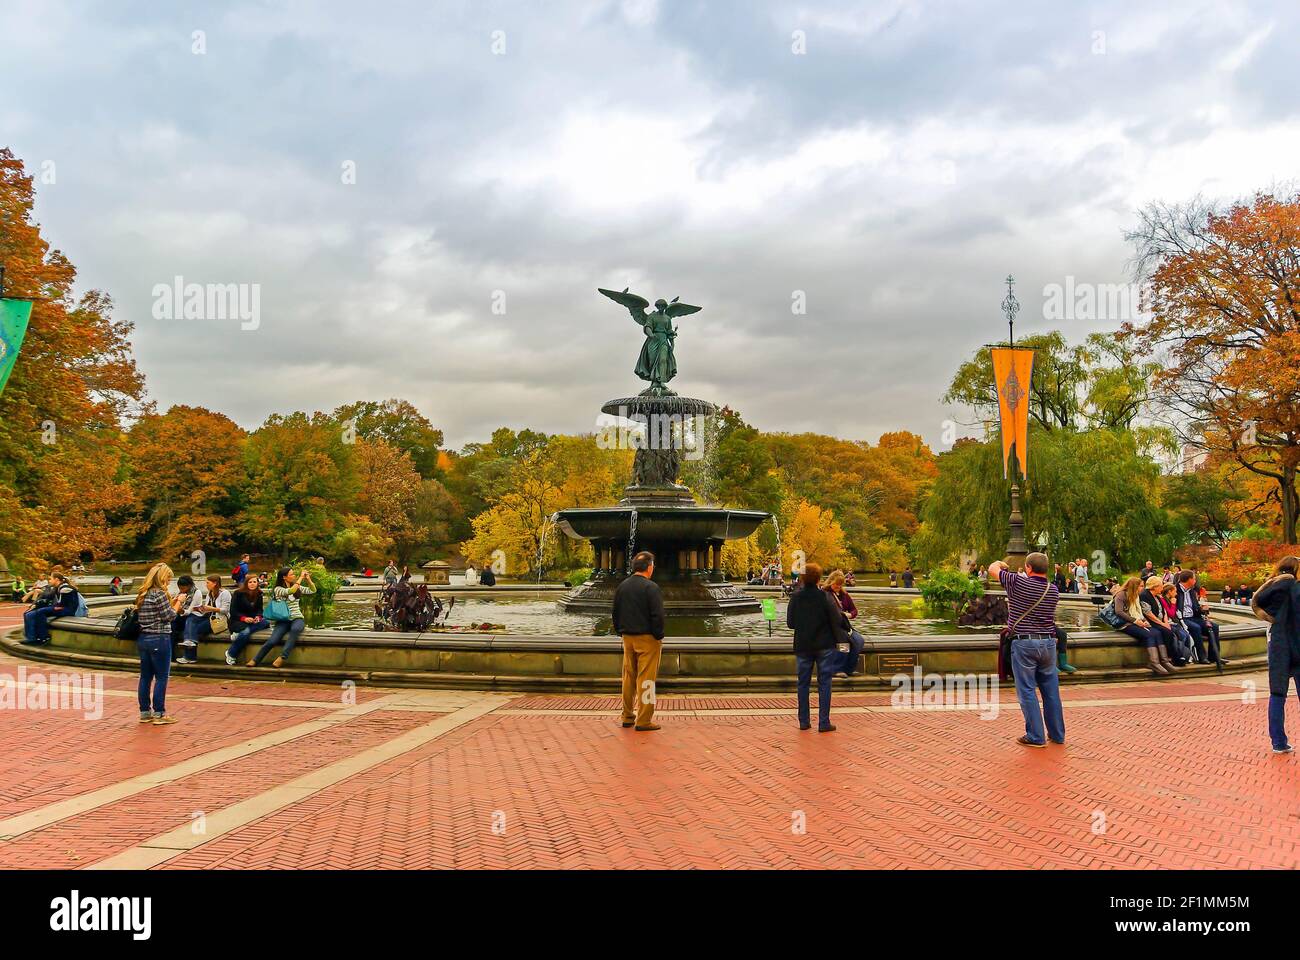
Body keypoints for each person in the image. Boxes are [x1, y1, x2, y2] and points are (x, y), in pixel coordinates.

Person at [989, 554, 1064, 748]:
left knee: (1027, 690)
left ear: (1028, 568)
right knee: (1051, 691)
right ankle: (1057, 735)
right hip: (1048, 644)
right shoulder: (1053, 590)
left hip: (1024, 644)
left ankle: (1036, 736)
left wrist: (1002, 564)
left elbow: (992, 569)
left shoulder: (1017, 583)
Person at [786, 562, 848, 732]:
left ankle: (804, 721)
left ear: (803, 578)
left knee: (803, 683)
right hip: (824, 645)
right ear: (819, 578)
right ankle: (824, 722)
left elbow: (790, 623)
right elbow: (836, 620)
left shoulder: (796, 597)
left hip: (803, 645)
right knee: (825, 683)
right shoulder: (825, 597)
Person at [612, 551, 666, 732]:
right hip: (648, 638)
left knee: (628, 677)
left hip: (628, 638)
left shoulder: (623, 586)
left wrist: (620, 631)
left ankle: (627, 716)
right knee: (647, 680)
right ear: (649, 567)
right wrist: (658, 636)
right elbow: (657, 615)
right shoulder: (651, 588)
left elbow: (615, 612)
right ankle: (644, 720)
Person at [1253, 557, 1300, 753]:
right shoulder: (1296, 587)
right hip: (1297, 642)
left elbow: (1260, 606)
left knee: (1277, 694)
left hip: (1278, 644)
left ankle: (1278, 742)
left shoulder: (1272, 588)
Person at [134, 563, 178, 725]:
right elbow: (169, 616)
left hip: (144, 638)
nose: (168, 583)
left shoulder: (142, 594)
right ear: (162, 578)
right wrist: (178, 602)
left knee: (145, 677)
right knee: (161, 677)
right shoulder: (158, 594)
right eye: (168, 579)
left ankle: (145, 712)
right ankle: (159, 713)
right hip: (160, 637)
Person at [250, 567, 315, 667]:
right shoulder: (278, 589)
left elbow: (313, 590)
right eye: (292, 574)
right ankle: (255, 659)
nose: (294, 576)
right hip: (283, 619)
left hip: (297, 618)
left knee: (295, 630)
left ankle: (282, 657)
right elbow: (291, 591)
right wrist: (301, 577)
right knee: (273, 640)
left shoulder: (297, 586)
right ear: (284, 577)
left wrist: (308, 579)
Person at [1105, 576, 1167, 674]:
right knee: (1149, 635)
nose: (1143, 588)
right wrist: (1135, 621)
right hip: (1124, 623)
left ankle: (1164, 660)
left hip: (1135, 621)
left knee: (1157, 633)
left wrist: (1144, 620)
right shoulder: (1121, 595)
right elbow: (1119, 612)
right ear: (1134, 586)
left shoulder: (1136, 595)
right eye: (1141, 586)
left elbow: (1139, 612)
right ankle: (1154, 662)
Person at [178, 574, 230, 664]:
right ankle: (188, 647)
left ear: (215, 583)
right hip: (208, 617)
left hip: (217, 620)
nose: (206, 585)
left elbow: (225, 610)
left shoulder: (225, 593)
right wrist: (198, 609)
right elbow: (206, 610)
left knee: (192, 630)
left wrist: (210, 608)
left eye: (207, 583)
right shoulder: (210, 594)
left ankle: (189, 657)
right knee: (191, 619)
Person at [1177, 570, 1224, 669]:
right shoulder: (1175, 590)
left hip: (1194, 617)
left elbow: (1195, 608)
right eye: (1194, 578)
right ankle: (1201, 656)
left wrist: (1202, 609)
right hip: (1182, 618)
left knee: (1214, 627)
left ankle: (1214, 656)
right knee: (1196, 628)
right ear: (1189, 580)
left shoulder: (1192, 591)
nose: (1195, 580)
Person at [21, 573, 81, 645]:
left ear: (56, 579)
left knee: (41, 612)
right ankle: (32, 638)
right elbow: (47, 596)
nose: (49, 581)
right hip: (61, 608)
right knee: (30, 614)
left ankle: (44, 637)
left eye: (50, 579)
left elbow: (65, 604)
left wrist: (54, 607)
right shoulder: (56, 588)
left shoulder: (65, 588)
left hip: (67, 610)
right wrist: (35, 604)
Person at [825, 570, 865, 677]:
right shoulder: (825, 594)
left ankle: (849, 668)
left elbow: (854, 610)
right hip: (832, 627)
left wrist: (849, 615)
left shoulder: (844, 594)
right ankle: (837, 668)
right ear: (830, 582)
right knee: (844, 642)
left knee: (859, 641)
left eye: (840, 585)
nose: (838, 587)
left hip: (845, 626)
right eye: (836, 585)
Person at [1139, 576, 1183, 669]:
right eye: (1161, 586)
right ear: (1154, 586)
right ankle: (1169, 658)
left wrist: (1166, 622)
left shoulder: (1157, 596)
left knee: (1174, 631)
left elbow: (1164, 611)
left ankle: (1175, 657)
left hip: (1161, 621)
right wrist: (1162, 624)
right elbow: (1148, 613)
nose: (1162, 588)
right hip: (1151, 622)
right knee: (1167, 632)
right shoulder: (1144, 595)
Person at [225, 575, 270, 665]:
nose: (252, 584)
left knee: (266, 623)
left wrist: (258, 617)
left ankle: (238, 635)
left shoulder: (259, 593)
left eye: (254, 582)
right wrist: (244, 618)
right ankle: (231, 653)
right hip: (237, 620)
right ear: (246, 583)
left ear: (257, 583)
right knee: (245, 632)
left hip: (252, 620)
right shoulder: (238, 593)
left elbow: (259, 610)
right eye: (250, 582)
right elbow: (233, 611)